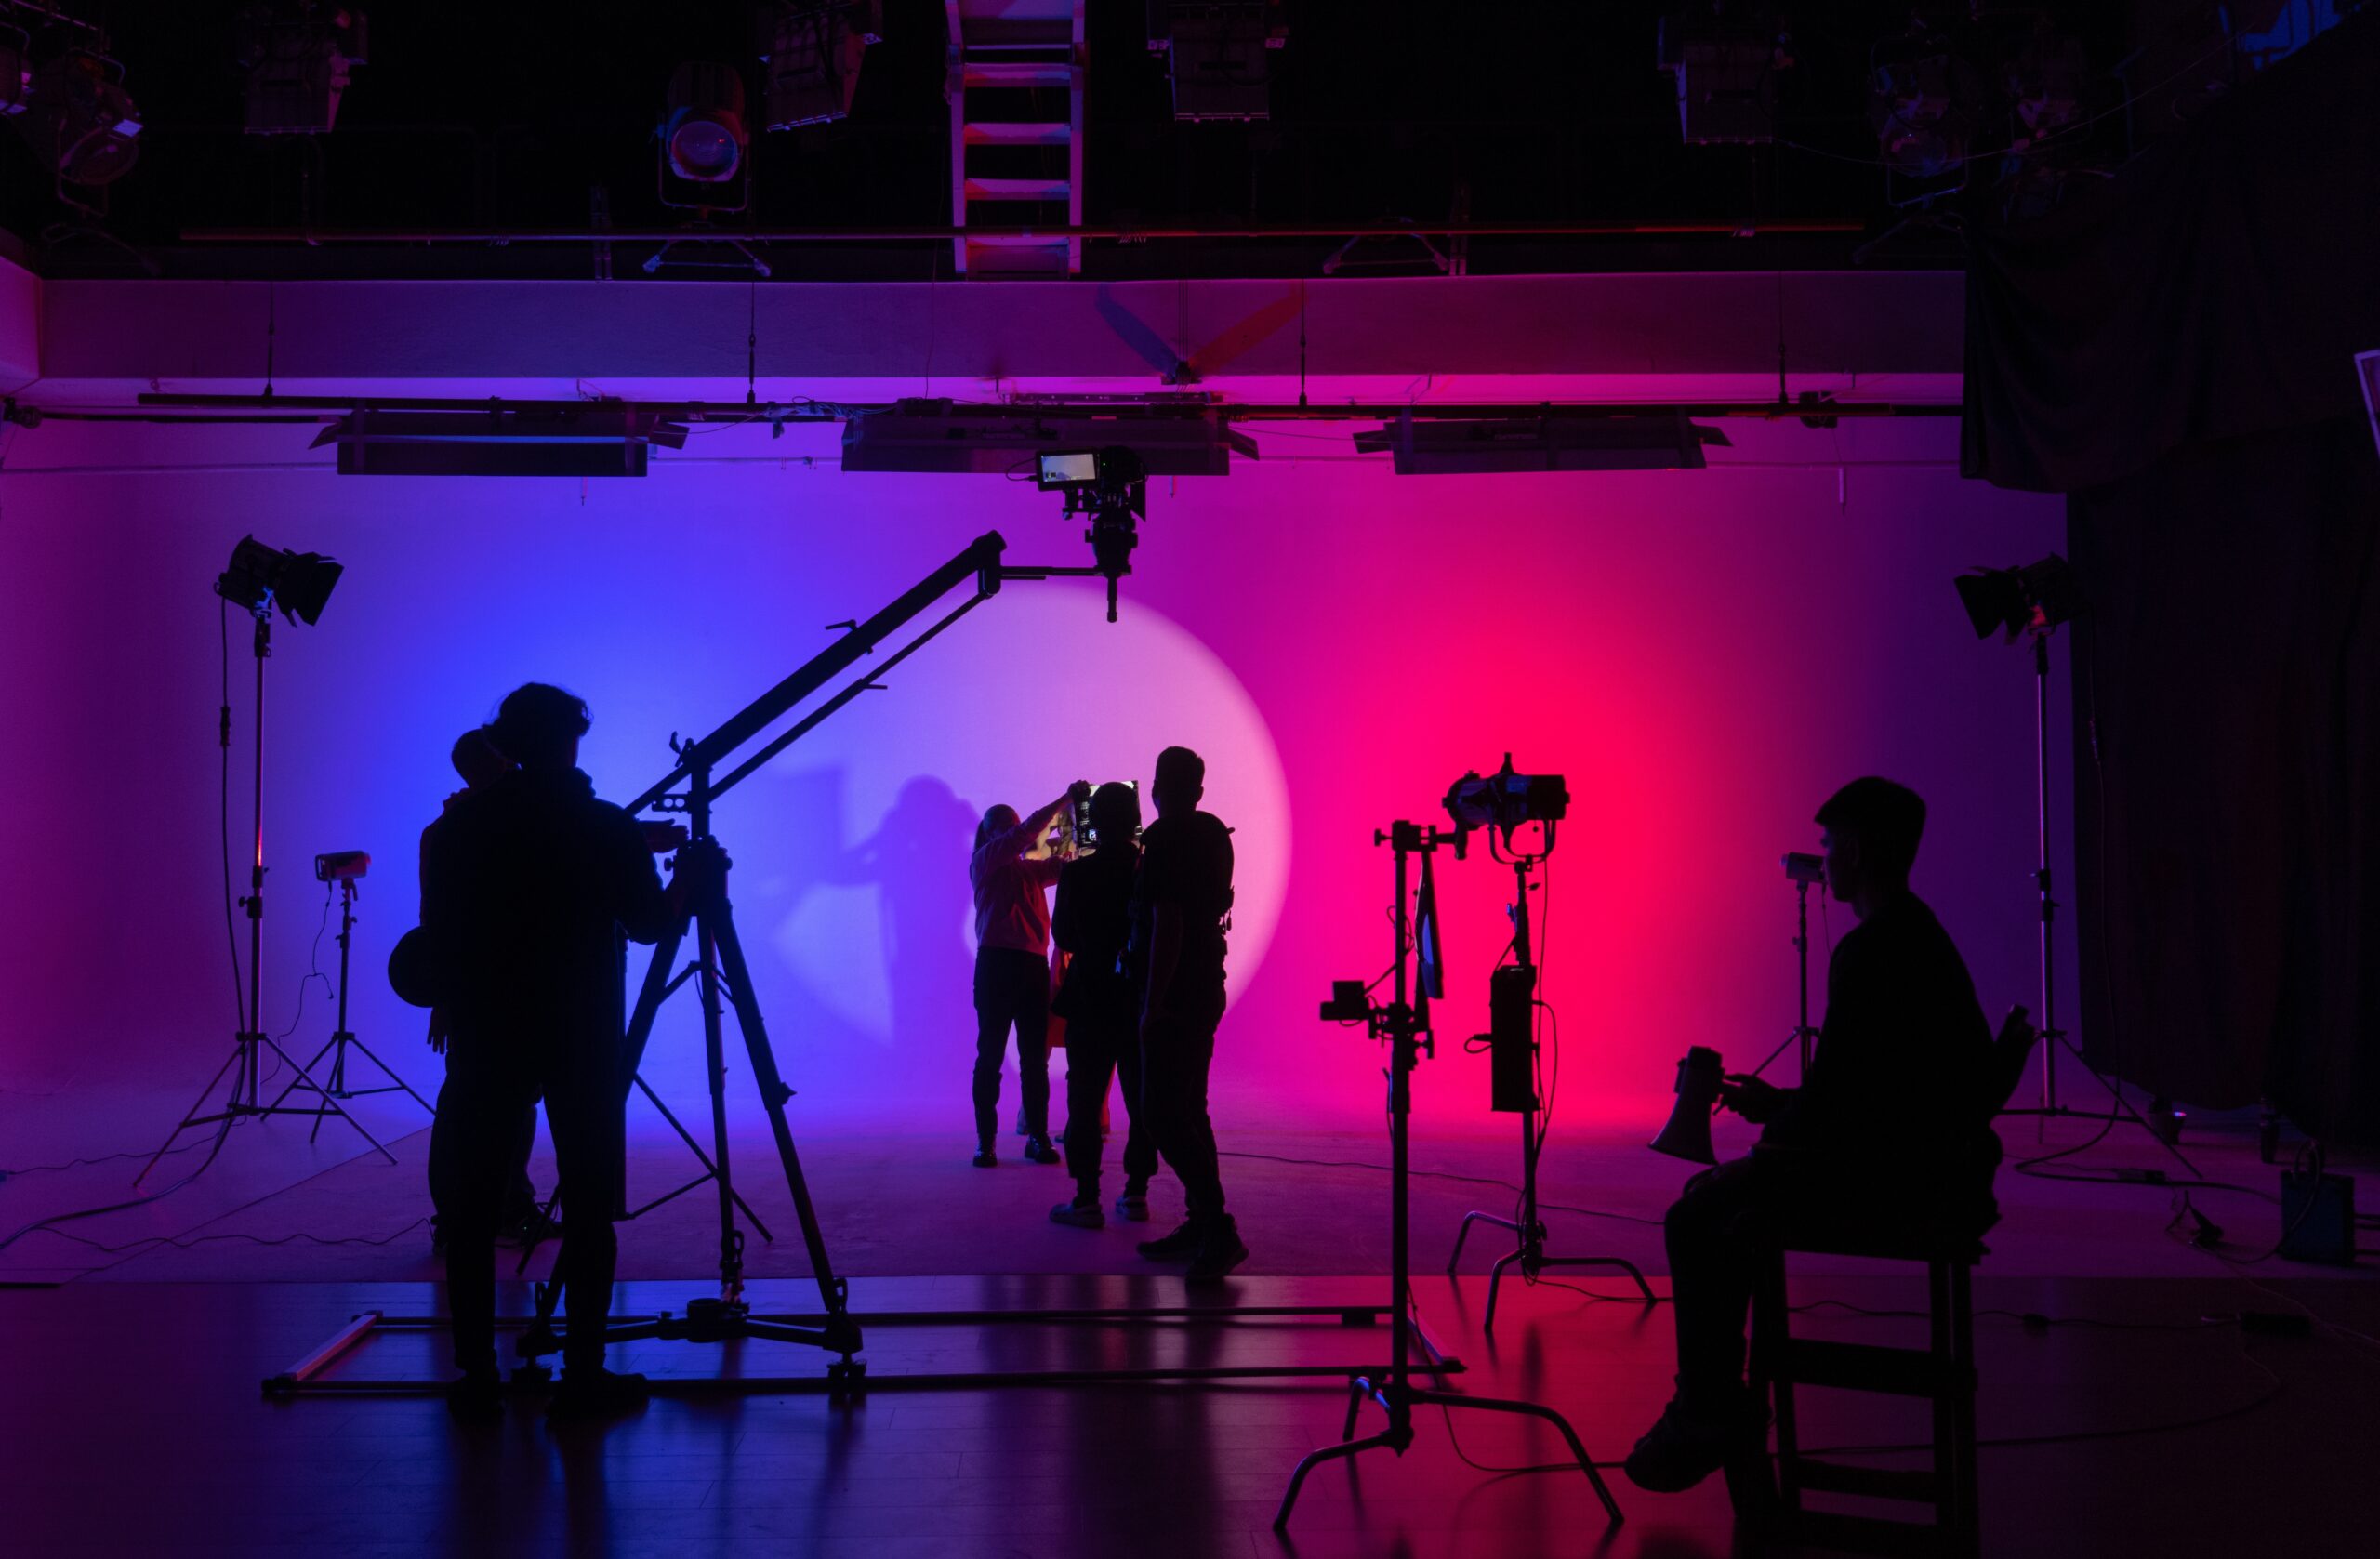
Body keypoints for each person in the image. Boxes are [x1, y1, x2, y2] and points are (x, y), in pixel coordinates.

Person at [1623, 776, 2000, 1494]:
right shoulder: (1921, 935)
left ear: (1854, 850)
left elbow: (1838, 1111)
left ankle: (1707, 1409)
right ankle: (1717, 1405)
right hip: (1931, 1164)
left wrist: (1770, 1140)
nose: (1822, 859)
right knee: (1719, 1197)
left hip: (1894, 1180)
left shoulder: (1868, 951)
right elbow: (1865, 1090)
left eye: (1828, 844)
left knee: (1695, 1214)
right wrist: (1779, 1107)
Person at [421, 682, 698, 1421]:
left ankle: (478, 1373)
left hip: (488, 1034)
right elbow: (650, 924)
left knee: (472, 1211)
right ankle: (583, 1374)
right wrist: (688, 883)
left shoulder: (456, 831)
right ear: (573, 742)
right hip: (581, 1035)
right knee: (588, 1207)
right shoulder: (603, 827)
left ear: (506, 743)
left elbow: (439, 941)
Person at [423, 726, 546, 1257]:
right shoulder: (511, 827)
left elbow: (434, 921)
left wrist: (441, 996)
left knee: (468, 1102)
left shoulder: (444, 832)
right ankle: (502, 1212)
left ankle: (474, 1215)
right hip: (507, 989)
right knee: (504, 1102)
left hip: (473, 989)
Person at [1129, 746, 1249, 1282]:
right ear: (1199, 790)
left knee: (1159, 1114)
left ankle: (1217, 1229)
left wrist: (1152, 1004)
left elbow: (1167, 925)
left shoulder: (1164, 840)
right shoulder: (1214, 835)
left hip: (1175, 997)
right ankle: (1203, 1222)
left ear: (1156, 788)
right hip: (1205, 987)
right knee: (1191, 1110)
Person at [1048, 782, 1161, 1228]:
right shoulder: (1147, 871)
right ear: (1134, 820)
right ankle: (1136, 1193)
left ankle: (1086, 1198)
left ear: (1093, 821)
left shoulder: (1078, 874)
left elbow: (1064, 936)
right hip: (1137, 997)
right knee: (1141, 1099)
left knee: (1084, 1099)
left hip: (1090, 997)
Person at [968, 786, 1081, 1167]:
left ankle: (1037, 1137)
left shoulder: (1029, 871)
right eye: (1003, 826)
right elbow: (1027, 833)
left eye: (1013, 824)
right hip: (997, 965)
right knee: (990, 1057)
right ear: (988, 833)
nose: (1012, 831)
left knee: (1034, 1060)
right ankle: (986, 1141)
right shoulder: (984, 862)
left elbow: (1066, 866)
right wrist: (1065, 800)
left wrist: (1086, 831)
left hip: (1031, 967)